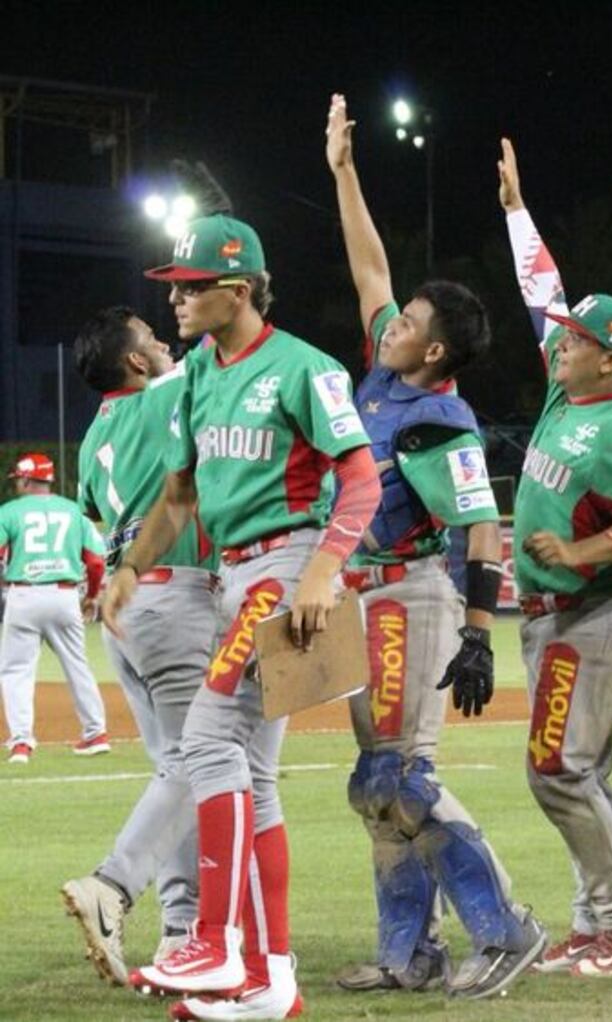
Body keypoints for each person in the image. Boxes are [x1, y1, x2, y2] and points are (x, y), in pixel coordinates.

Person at [103, 212, 381, 1021]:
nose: (177, 301)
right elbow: (179, 495)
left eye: (191, 288)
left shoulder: (302, 368)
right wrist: (129, 566)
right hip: (232, 575)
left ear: (236, 290)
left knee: (205, 737)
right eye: (176, 289)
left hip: (288, 564)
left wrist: (324, 573)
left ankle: (216, 941)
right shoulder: (195, 372)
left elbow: (360, 480)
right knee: (253, 780)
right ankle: (272, 982)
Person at [324, 93, 545, 1001]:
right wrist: (343, 172)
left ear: (438, 347)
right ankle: (410, 953)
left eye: (410, 321)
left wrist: (482, 628)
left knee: (401, 777)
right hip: (363, 596)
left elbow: (478, 522)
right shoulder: (385, 375)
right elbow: (370, 271)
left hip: (412, 595)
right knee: (375, 789)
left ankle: (507, 928)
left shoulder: (436, 418)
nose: (391, 323)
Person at [500, 138, 612, 977]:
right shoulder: (569, 395)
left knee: (556, 771)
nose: (559, 346)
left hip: (588, 620)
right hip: (549, 619)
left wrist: (576, 547)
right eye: (562, 339)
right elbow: (543, 297)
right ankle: (594, 920)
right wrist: (516, 213)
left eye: (576, 341)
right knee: (583, 777)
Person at [61, 307, 218, 985]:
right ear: (134, 362)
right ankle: (112, 885)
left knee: (176, 771)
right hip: (175, 594)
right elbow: (223, 353)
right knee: (200, 763)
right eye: (150, 339)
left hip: (125, 610)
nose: (163, 342)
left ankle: (181, 931)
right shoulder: (167, 394)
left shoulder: (97, 428)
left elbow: (94, 515)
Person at [0, 452, 108, 764]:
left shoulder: (9, 512)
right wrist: (92, 596)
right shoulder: (74, 512)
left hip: (24, 596)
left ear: (24, 479)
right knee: (78, 666)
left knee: (17, 670)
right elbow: (97, 561)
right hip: (65, 596)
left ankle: (21, 743)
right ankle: (96, 734)